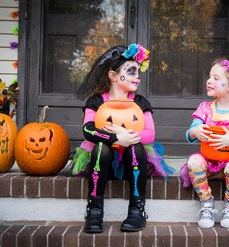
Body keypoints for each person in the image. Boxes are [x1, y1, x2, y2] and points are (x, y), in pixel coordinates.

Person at [72, 44, 174, 233]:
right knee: (102, 147)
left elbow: (150, 133)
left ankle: (137, 210)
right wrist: (116, 137)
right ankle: (94, 210)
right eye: (131, 71)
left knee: (136, 148)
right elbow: (88, 129)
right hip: (103, 163)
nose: (138, 76)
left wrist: (130, 138)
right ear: (113, 76)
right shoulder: (96, 102)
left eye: (138, 71)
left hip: (131, 163)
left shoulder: (140, 102)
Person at [180, 59, 229, 229]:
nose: (209, 81)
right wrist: (194, 132)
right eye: (209, 77)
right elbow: (191, 131)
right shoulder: (205, 108)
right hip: (208, 160)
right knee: (194, 162)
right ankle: (207, 204)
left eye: (216, 78)